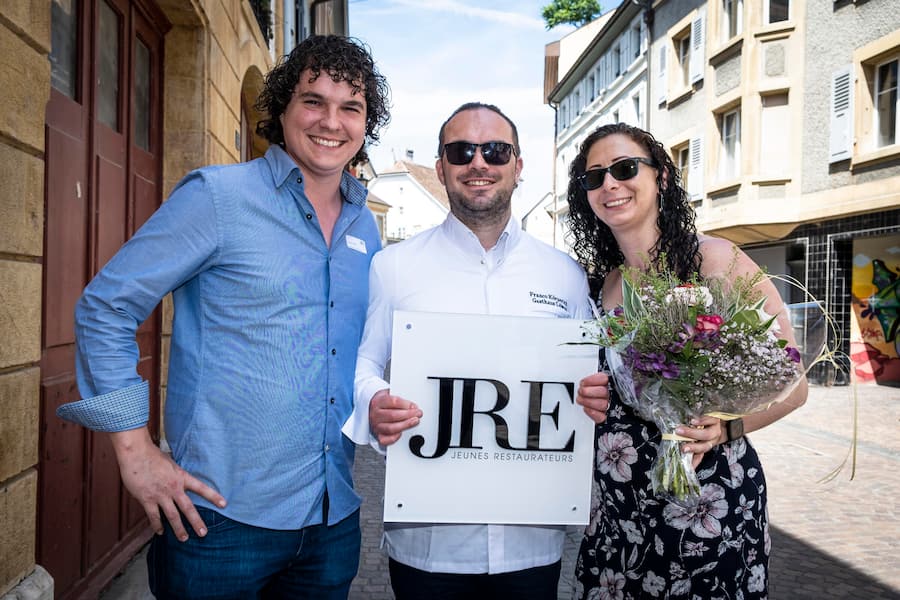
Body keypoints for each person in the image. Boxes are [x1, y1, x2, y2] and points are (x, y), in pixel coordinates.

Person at [56, 35, 390, 599]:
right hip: (219, 520)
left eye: (350, 107)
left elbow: (365, 351)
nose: (331, 121)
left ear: (365, 124)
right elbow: (106, 307)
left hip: (333, 520)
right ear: (282, 110)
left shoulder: (366, 226)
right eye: (314, 100)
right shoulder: (217, 196)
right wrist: (135, 451)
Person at [342, 102, 602, 600]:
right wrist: (374, 400)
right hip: (428, 545)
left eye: (495, 151)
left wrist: (593, 396)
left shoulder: (563, 274)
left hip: (532, 543)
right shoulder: (393, 267)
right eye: (461, 151)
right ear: (441, 168)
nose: (478, 163)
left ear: (518, 166)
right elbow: (363, 363)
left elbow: (590, 376)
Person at [565, 122, 809, 599]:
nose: (610, 184)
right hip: (619, 507)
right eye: (594, 178)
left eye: (625, 168)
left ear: (662, 178)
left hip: (707, 501)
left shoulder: (717, 262)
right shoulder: (596, 287)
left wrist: (728, 425)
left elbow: (794, 384)